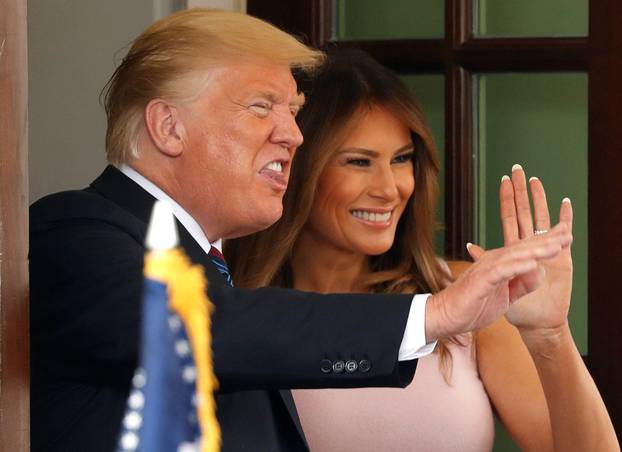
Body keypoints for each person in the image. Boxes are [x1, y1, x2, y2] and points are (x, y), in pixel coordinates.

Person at [29, 10, 573, 452]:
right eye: (262, 107)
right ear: (170, 127)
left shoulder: (215, 269)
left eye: (293, 111)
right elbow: (201, 328)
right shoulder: (75, 231)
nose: (292, 135)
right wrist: (436, 315)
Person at [225, 48, 619, 451]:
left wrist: (551, 336)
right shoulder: (237, 311)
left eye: (402, 159)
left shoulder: (470, 298)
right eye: (359, 162)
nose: (389, 188)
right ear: (297, 167)